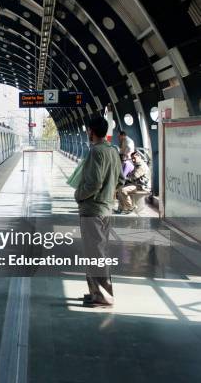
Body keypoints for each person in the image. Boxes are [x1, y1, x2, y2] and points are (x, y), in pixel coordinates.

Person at [75, 116, 124, 307]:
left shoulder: (96, 152)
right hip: (105, 208)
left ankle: (102, 297)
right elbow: (120, 180)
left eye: (88, 130)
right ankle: (96, 292)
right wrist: (109, 194)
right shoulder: (113, 150)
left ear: (91, 131)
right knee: (98, 251)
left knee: (95, 253)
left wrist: (79, 194)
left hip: (92, 209)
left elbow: (94, 182)